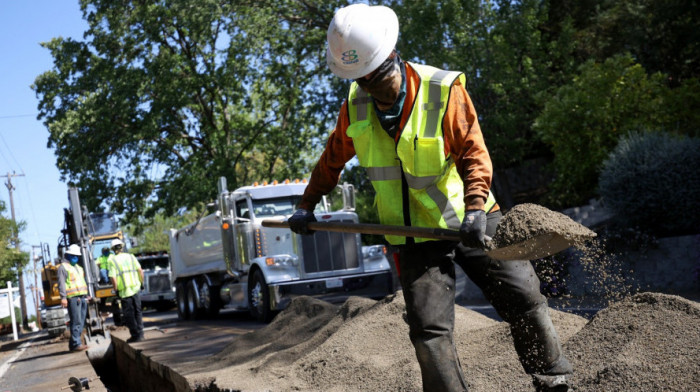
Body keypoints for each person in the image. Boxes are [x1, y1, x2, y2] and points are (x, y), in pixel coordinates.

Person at [288, 4, 572, 392]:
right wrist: (306, 205)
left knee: (523, 296)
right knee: (429, 331)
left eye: (376, 80)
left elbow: (473, 151)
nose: (372, 91)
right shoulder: (355, 104)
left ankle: (553, 379)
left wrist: (474, 208)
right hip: (413, 233)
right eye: (362, 82)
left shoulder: (441, 89)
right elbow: (332, 158)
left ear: (393, 58)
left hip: (471, 217)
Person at [108, 238, 145, 343]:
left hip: (124, 292)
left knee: (129, 314)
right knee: (138, 311)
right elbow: (140, 271)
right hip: (135, 288)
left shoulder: (112, 260)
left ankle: (135, 335)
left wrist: (116, 290)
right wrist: (141, 284)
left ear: (113, 249)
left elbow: (113, 278)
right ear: (122, 247)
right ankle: (141, 333)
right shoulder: (131, 257)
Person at [57, 244, 89, 352]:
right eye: (74, 256)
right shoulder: (63, 267)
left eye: (77, 256)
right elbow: (61, 284)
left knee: (81, 321)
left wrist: (86, 295)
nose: (76, 258)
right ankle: (76, 343)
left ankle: (73, 344)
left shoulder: (79, 268)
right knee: (76, 321)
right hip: (73, 298)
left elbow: (81, 282)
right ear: (68, 255)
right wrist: (63, 298)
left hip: (82, 297)